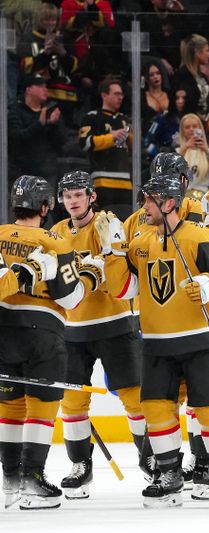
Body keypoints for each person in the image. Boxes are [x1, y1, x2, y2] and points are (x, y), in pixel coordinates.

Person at [103, 170, 209, 507]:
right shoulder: (139, 243)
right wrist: (113, 253)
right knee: (156, 408)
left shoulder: (200, 236)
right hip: (156, 342)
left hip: (201, 339)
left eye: (149, 200)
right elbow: (124, 290)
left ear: (168, 203)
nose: (143, 206)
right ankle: (168, 473)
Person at [0, 175, 100, 510]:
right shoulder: (55, 242)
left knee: (10, 409)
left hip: (3, 332)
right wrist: (91, 274)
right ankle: (32, 480)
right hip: (43, 333)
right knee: (40, 410)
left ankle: (10, 482)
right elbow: (71, 299)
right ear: (46, 207)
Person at [50, 171, 145, 499]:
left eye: (78, 195)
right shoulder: (57, 232)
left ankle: (150, 459)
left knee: (134, 397)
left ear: (92, 197)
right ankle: (81, 466)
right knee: (72, 402)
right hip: (72, 330)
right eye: (67, 196)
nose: (72, 201)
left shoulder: (107, 222)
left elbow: (116, 268)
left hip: (115, 325)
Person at [79, 76, 132, 219]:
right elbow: (85, 143)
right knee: (102, 223)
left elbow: (134, 149)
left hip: (125, 182)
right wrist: (111, 137)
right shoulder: (92, 117)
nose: (120, 97)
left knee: (125, 223)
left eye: (121, 94)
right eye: (116, 94)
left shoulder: (124, 119)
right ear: (104, 95)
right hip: (102, 180)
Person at [8, 73, 68, 187]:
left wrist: (53, 125)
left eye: (45, 86)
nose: (45, 90)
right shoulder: (15, 111)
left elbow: (62, 140)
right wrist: (40, 124)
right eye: (40, 86)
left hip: (47, 169)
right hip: (21, 170)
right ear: (28, 89)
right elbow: (16, 139)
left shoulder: (51, 110)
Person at [173, 34, 209, 118]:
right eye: (207, 51)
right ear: (197, 53)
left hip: (205, 121)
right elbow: (184, 105)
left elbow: (206, 101)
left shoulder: (202, 75)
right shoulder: (182, 75)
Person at [176, 113, 209, 199]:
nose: (191, 129)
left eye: (195, 126)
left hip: (202, 195)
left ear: (200, 128)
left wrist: (205, 150)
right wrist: (185, 147)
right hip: (181, 196)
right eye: (187, 127)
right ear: (183, 131)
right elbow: (171, 169)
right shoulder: (176, 151)